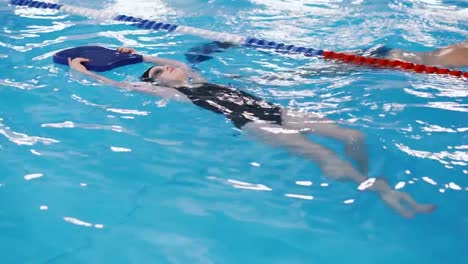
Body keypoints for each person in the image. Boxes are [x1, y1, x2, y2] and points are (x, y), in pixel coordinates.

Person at [67, 46, 436, 218]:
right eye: (160, 73)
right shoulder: (168, 91)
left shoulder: (193, 76)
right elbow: (122, 87)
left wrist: (141, 57)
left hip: (273, 111)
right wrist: (83, 72)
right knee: (323, 156)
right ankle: (381, 192)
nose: (168, 71)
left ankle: (370, 178)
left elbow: (177, 62)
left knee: (352, 135)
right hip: (252, 124)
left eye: (165, 70)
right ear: (158, 83)